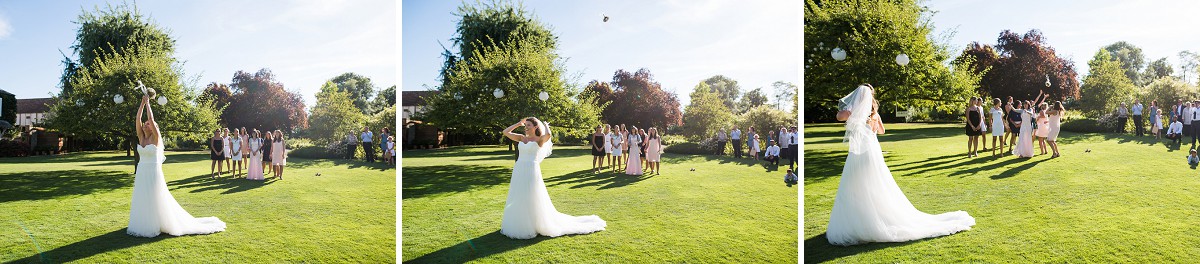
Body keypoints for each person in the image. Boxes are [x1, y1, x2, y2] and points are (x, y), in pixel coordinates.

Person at [827, 84, 974, 246]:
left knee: (855, 185)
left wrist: (853, 112)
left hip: (859, 154)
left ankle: (861, 221)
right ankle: (871, 218)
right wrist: (871, 125)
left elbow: (839, 116)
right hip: (871, 152)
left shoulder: (853, 112)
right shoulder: (873, 113)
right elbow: (882, 131)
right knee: (873, 185)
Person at [128, 92, 225, 237]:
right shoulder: (141, 138)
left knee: (154, 197)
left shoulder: (156, 137)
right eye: (145, 124)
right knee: (142, 197)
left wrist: (148, 103)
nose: (145, 124)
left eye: (148, 124)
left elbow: (151, 118)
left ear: (154, 127)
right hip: (142, 171)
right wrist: (141, 104)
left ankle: (157, 223)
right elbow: (138, 118)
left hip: (153, 172)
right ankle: (144, 223)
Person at [500, 117, 606, 239]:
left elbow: (548, 135)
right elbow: (505, 132)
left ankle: (534, 224)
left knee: (531, 195)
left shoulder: (539, 140)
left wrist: (545, 125)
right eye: (526, 125)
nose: (526, 127)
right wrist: (518, 123)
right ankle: (519, 223)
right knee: (518, 194)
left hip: (531, 170)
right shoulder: (520, 137)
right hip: (519, 169)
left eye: (529, 125)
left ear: (535, 127)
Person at [1013, 91, 1047, 158]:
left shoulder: (1031, 108)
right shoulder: (1023, 110)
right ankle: (1022, 153)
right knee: (1022, 138)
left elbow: (1038, 102)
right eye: (1025, 104)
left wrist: (1042, 95)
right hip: (1025, 125)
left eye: (1027, 104)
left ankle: (1033, 150)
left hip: (1032, 122)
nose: (1026, 105)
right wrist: (1010, 105)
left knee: (1031, 137)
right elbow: (1015, 110)